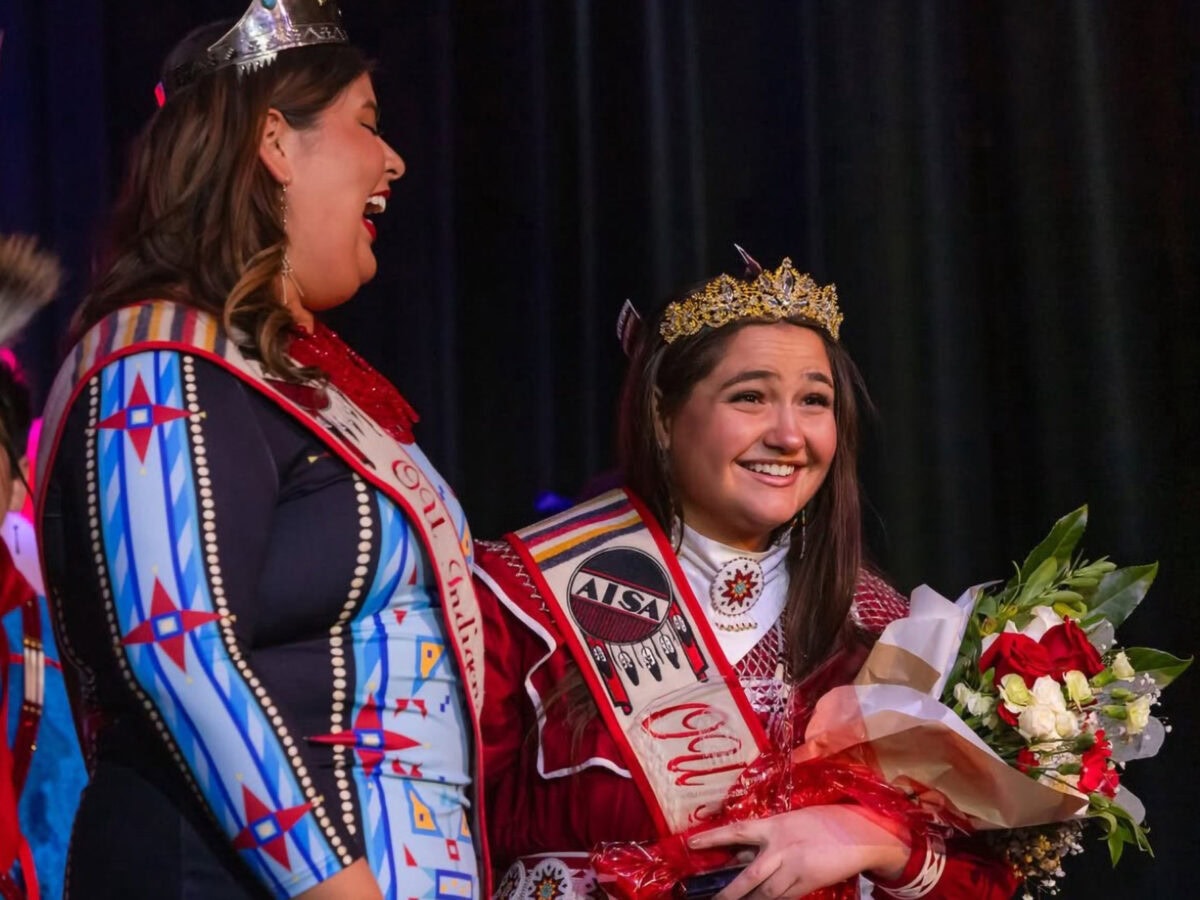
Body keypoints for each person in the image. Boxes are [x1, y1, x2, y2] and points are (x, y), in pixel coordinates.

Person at [35, 2, 489, 898]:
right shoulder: (156, 364)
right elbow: (177, 646)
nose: (392, 159)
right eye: (365, 124)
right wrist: (337, 887)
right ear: (276, 143)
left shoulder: (280, 381)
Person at [473, 251, 1021, 899]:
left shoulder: (878, 625)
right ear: (662, 415)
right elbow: (423, 821)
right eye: (751, 397)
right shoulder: (521, 596)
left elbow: (983, 880)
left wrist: (878, 840)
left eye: (814, 401)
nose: (790, 434)